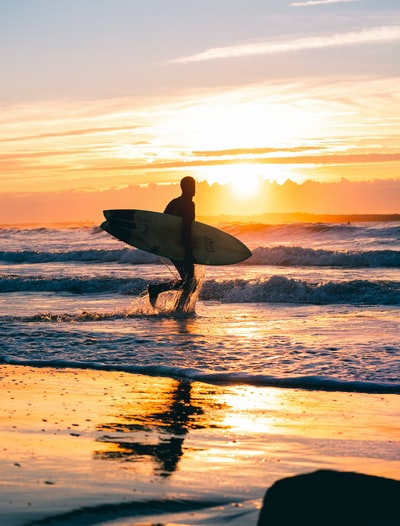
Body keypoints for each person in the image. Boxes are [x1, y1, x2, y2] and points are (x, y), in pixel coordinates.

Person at [147, 176, 197, 308]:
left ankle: (177, 306)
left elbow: (162, 223)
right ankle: (177, 307)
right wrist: (188, 251)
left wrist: (159, 243)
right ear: (185, 188)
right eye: (192, 186)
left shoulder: (174, 203)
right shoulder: (188, 204)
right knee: (190, 283)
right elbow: (186, 229)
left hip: (170, 246)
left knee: (190, 282)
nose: (194, 189)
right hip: (180, 247)